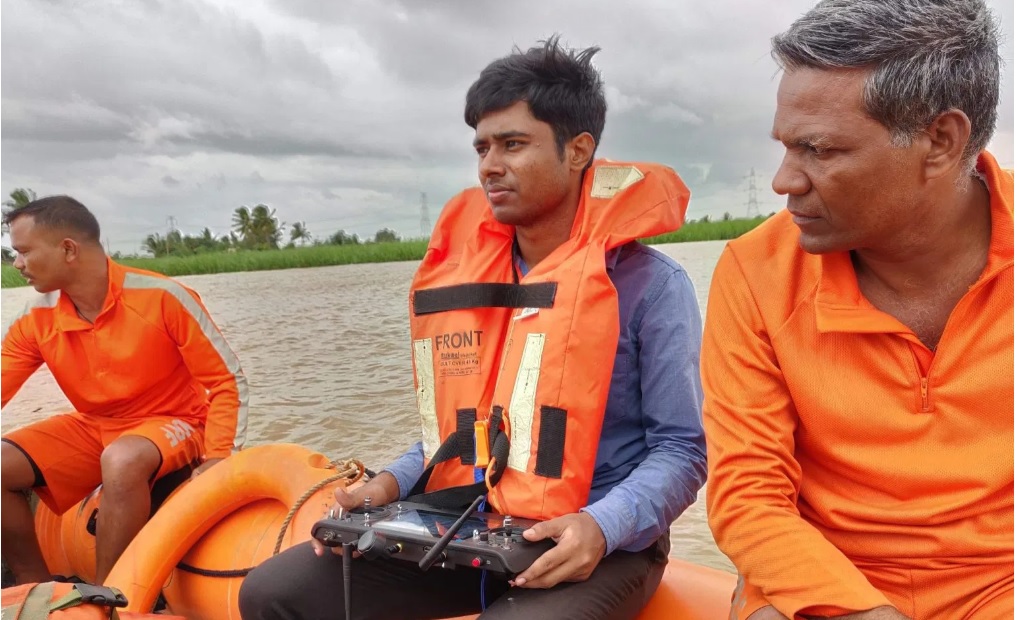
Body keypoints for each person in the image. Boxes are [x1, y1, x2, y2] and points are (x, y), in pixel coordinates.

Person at [239, 36, 707, 619]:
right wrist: (387, 485)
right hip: (475, 520)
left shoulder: (653, 286)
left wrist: (600, 526)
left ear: (579, 150)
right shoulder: (470, 281)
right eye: (482, 147)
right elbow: (461, 431)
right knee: (271, 593)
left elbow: (682, 449)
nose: (490, 165)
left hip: (597, 538)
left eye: (513, 144)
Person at [702, 1, 1013, 619]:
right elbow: (748, 493)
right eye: (786, 147)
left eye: (819, 150)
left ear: (940, 141)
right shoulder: (754, 273)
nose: (785, 181)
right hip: (819, 581)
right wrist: (859, 611)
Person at [1, 196, 249, 586]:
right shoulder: (36, 318)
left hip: (175, 422)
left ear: (68, 249)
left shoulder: (162, 297)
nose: (16, 264)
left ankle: (108, 597)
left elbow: (225, 382)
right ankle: (36, 587)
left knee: (121, 458)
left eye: (23, 251)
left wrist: (219, 457)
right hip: (95, 425)